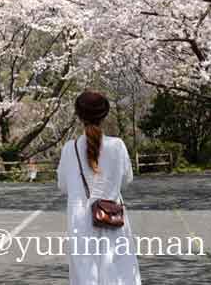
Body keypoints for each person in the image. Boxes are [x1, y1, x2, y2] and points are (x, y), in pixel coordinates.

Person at [57, 91, 141, 285]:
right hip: (111, 214)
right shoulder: (117, 145)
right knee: (119, 271)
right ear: (105, 115)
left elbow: (62, 186)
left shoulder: (69, 148)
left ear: (79, 115)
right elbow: (127, 179)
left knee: (85, 274)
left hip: (79, 217)